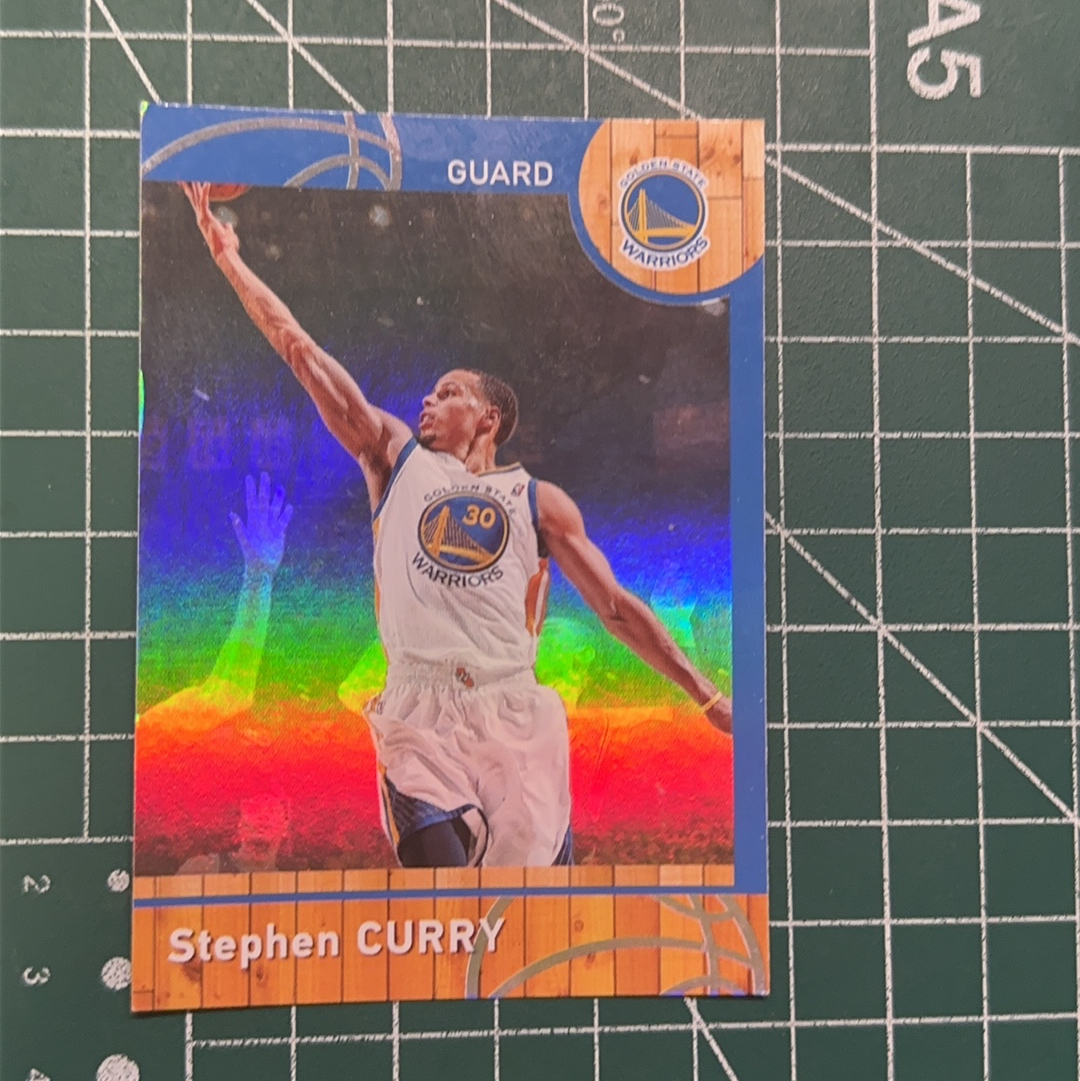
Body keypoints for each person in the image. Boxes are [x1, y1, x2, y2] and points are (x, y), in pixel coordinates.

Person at [180, 181, 732, 870]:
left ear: (487, 417)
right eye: (430, 392)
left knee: (532, 914)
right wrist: (230, 260)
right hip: (420, 711)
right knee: (443, 897)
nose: (427, 400)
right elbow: (301, 350)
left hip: (514, 711)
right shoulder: (393, 455)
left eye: (447, 393)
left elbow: (616, 608)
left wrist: (706, 693)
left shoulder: (539, 501)